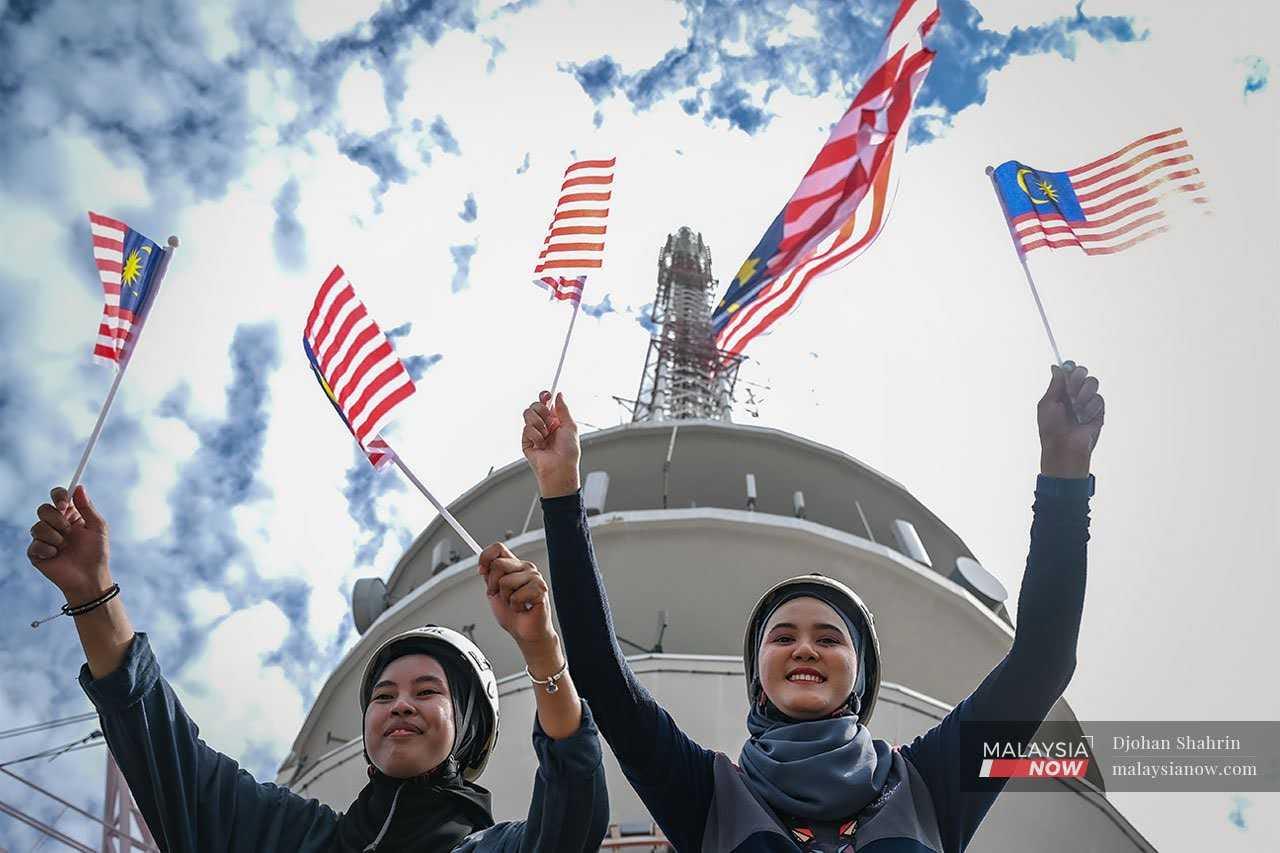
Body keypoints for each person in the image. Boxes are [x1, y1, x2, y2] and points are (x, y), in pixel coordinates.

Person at [495, 363, 1104, 853]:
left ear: (859, 673)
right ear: (757, 673)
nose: (805, 647)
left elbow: (1042, 662)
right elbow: (602, 674)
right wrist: (560, 490)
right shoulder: (708, 795)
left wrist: (1065, 472)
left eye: (829, 638)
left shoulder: (928, 786)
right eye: (781, 636)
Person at [25, 486, 609, 852]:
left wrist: (542, 652)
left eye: (427, 691)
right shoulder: (290, 836)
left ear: (467, 727)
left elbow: (573, 809)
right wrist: (93, 593)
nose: (400, 703)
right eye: (382, 696)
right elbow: (169, 761)